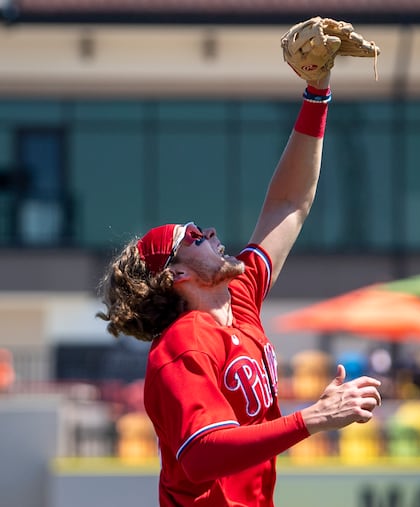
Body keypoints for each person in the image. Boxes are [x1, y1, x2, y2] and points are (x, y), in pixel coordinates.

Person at [96, 36, 382, 506]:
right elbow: (202, 454)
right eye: (192, 238)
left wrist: (316, 91)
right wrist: (313, 417)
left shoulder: (239, 297)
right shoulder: (183, 343)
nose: (208, 231)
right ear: (176, 276)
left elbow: (289, 203)